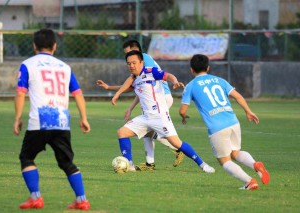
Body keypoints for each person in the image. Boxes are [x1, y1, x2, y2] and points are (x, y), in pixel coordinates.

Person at [13, 29, 91, 210]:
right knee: (66, 163)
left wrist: (17, 118)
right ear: (54, 46)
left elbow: (20, 93)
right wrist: (84, 118)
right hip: (62, 122)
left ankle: (36, 198)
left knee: (26, 157)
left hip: (39, 121)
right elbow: (78, 94)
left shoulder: (27, 64)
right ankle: (82, 200)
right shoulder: (65, 67)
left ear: (34, 46)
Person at [111, 50, 215, 173]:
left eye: (134, 63)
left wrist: (174, 81)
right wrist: (117, 93)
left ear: (141, 62)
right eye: (128, 63)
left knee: (177, 143)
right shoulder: (134, 77)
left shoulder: (151, 71)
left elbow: (168, 75)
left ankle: (203, 165)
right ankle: (130, 165)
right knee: (122, 132)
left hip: (160, 117)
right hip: (145, 118)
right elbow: (127, 83)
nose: (131, 66)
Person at [179, 54, 270, 190]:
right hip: (233, 121)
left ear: (191, 69)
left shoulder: (191, 86)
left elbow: (182, 110)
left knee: (224, 161)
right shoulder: (219, 80)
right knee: (235, 153)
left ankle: (249, 181)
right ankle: (255, 165)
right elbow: (238, 96)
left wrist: (184, 116)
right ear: (208, 68)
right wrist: (248, 111)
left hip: (217, 127)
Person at [97, 39, 185, 171]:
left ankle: (176, 148)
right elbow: (137, 89)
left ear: (137, 51)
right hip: (158, 99)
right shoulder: (139, 64)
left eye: (130, 52)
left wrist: (127, 104)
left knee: (150, 129)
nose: (128, 56)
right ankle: (150, 164)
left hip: (161, 98)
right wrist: (110, 89)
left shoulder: (145, 61)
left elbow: (139, 86)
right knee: (147, 131)